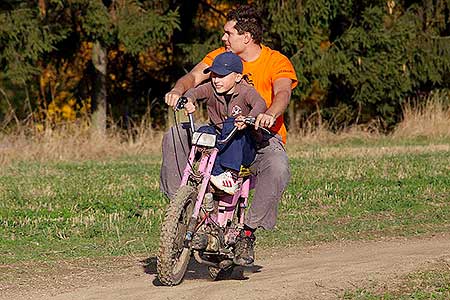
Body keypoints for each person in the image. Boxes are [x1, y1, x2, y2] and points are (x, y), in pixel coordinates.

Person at [161, 4, 298, 266]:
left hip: (260, 137)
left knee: (278, 167)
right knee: (175, 134)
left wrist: (268, 114)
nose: (223, 38)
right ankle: (179, 207)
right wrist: (178, 92)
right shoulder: (219, 58)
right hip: (219, 132)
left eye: (228, 33)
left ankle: (248, 232)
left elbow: (283, 93)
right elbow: (191, 79)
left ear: (246, 37)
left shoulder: (276, 61)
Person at [181, 51, 267, 195]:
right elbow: (194, 92)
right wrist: (188, 100)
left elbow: (260, 103)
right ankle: (208, 173)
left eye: (222, 76)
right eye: (214, 75)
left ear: (238, 77)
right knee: (204, 131)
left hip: (243, 145)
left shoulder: (246, 91)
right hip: (221, 139)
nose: (216, 80)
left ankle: (230, 174)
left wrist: (248, 118)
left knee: (231, 123)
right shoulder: (211, 88)